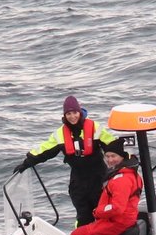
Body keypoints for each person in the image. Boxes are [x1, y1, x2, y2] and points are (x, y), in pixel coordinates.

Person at [55, 136, 143, 235]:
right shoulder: (131, 174)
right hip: (122, 222)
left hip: (116, 223)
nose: (110, 160)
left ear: (121, 158)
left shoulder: (121, 180)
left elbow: (116, 207)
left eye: (113, 157)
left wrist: (98, 212)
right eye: (107, 156)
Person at [14, 94, 118, 226]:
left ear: (79, 112)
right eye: (68, 113)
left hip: (99, 178)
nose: (72, 116)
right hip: (78, 181)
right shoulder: (60, 134)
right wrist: (26, 163)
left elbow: (112, 146)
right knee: (83, 216)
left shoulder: (94, 128)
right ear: (65, 115)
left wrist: (126, 160)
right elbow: (44, 150)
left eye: (74, 112)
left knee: (102, 212)